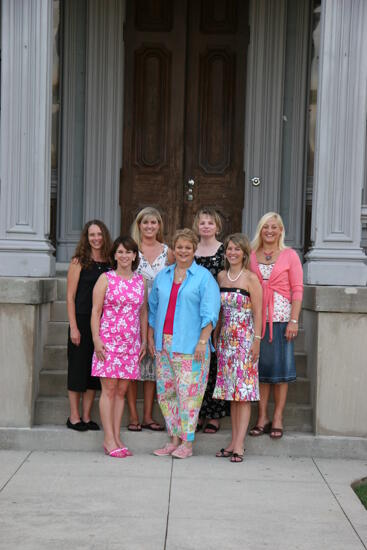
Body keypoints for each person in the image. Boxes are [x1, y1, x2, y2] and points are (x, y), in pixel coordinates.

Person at [148, 229, 221, 459]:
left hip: (191, 346)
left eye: (187, 247)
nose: (183, 251)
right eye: (179, 247)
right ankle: (174, 439)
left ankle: (187, 444)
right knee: (166, 393)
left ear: (194, 250)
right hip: (164, 344)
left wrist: (203, 341)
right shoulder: (163, 276)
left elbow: (210, 313)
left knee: (188, 396)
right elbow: (152, 310)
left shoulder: (203, 278)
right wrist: (151, 338)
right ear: (174, 249)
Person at [91, 236, 148, 457]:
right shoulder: (106, 279)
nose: (124, 256)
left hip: (130, 343)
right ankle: (108, 439)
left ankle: (116, 436)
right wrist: (96, 339)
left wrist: (143, 340)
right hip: (108, 342)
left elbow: (143, 312)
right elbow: (96, 312)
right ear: (114, 255)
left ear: (135, 256)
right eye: (120, 252)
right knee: (109, 389)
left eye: (129, 252)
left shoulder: (140, 281)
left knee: (122, 391)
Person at [249, 212, 303, 439]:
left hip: (281, 322)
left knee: (281, 371)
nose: (269, 231)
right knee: (261, 371)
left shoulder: (290, 255)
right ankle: (262, 416)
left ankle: (278, 417)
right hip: (257, 322)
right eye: (265, 227)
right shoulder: (251, 255)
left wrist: (293, 320)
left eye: (274, 227)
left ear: (281, 230)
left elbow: (297, 289)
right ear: (260, 230)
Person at [213, 234, 262, 462]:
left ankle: (240, 445)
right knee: (231, 395)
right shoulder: (221, 276)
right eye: (229, 249)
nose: (232, 252)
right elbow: (220, 311)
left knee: (243, 395)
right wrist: (215, 333)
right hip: (225, 341)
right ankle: (232, 441)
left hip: (244, 341)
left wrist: (257, 341)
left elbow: (259, 313)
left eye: (236, 249)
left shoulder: (251, 278)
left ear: (244, 253)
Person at [126, 207, 174, 432]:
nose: (150, 226)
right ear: (139, 225)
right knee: (133, 363)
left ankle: (147, 415)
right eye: (145, 223)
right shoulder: (130, 249)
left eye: (154, 222)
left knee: (152, 365)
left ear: (159, 226)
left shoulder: (168, 252)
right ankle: (133, 416)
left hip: (159, 313)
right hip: (132, 313)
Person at [66, 220, 112, 431]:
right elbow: (70, 296)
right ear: (86, 237)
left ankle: (86, 416)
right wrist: (73, 327)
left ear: (104, 236)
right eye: (92, 234)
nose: (96, 238)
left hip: (104, 322)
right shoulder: (79, 261)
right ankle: (74, 416)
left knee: (95, 370)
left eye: (99, 234)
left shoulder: (110, 262)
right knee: (77, 369)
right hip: (82, 320)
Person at [193, 207, 228, 434]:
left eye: (210, 223)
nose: (206, 226)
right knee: (195, 366)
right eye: (202, 222)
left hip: (218, 313)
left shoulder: (224, 251)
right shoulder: (190, 249)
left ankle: (214, 415)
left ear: (217, 227)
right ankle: (195, 413)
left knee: (215, 364)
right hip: (193, 314)